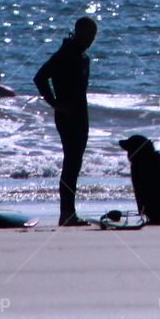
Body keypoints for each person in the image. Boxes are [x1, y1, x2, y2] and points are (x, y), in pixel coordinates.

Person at [34, 16, 98, 226]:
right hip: (67, 115)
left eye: (93, 35)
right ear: (78, 32)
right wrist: (55, 103)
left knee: (75, 163)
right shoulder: (65, 55)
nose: (90, 39)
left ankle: (70, 212)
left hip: (81, 114)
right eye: (88, 34)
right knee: (70, 164)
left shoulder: (83, 58)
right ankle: (66, 214)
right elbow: (40, 77)